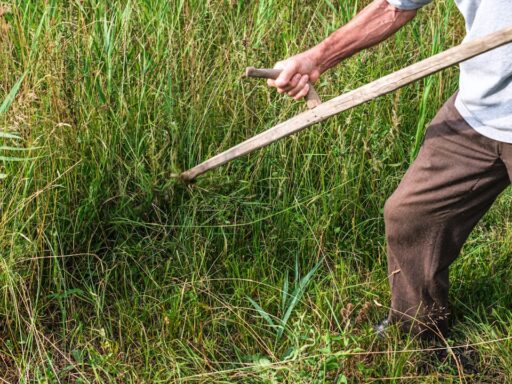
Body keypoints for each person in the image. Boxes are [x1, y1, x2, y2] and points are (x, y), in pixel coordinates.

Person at [267, 0, 512, 340]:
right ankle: (416, 330)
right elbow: (394, 6)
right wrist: (315, 59)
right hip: (477, 110)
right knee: (411, 214)